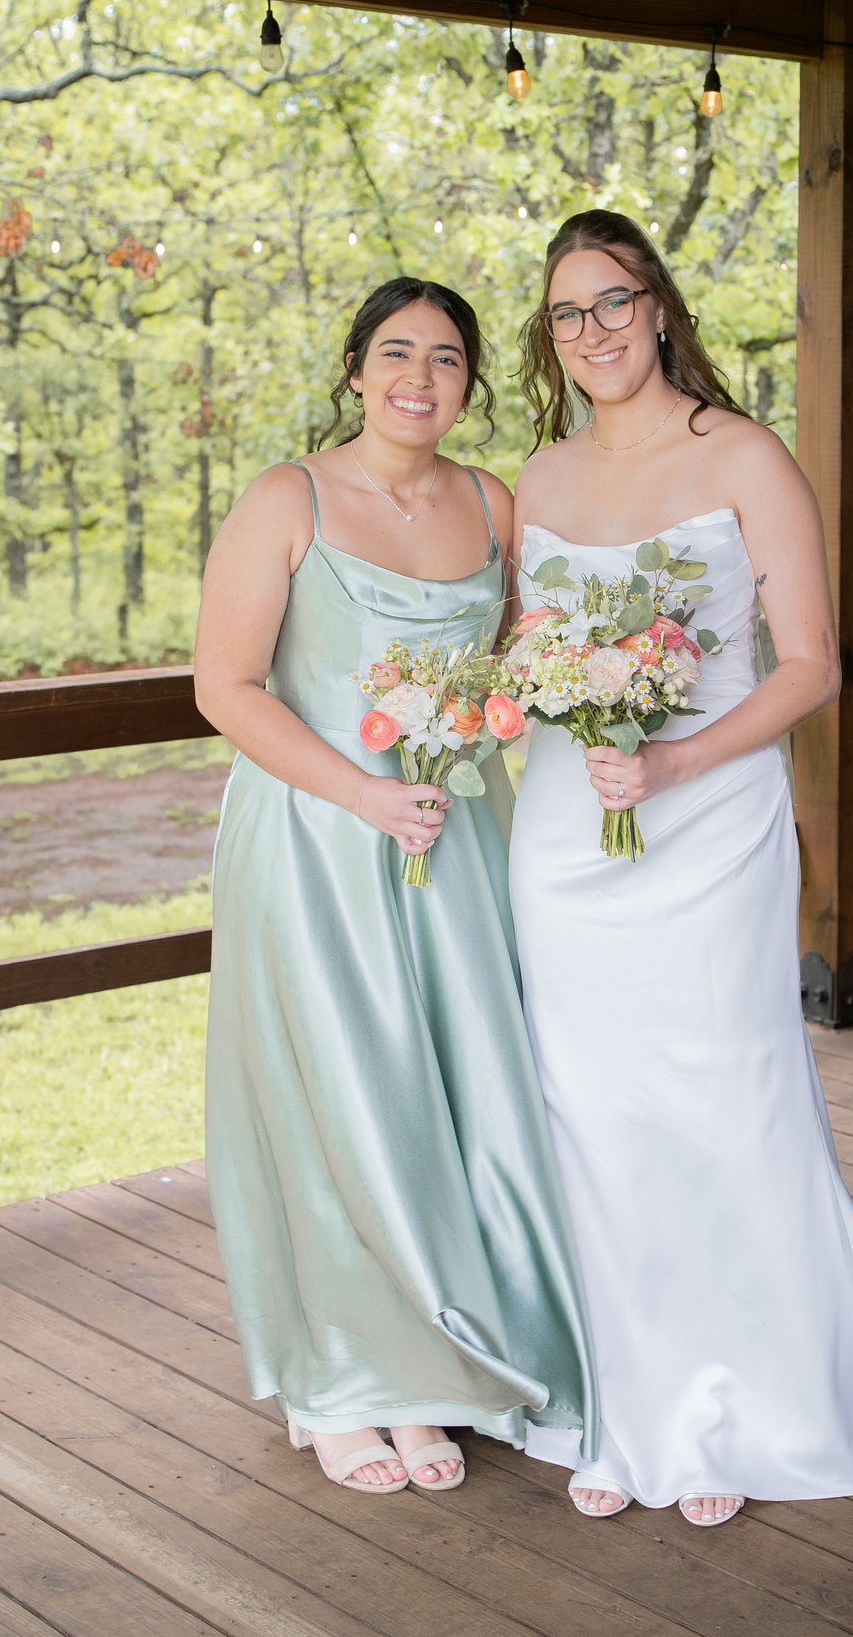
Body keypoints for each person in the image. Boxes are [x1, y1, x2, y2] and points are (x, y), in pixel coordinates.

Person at [508, 212, 853, 1526]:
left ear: (659, 303)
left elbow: (811, 661)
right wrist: (551, 703)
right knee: (592, 1110)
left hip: (712, 817)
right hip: (569, 828)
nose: (594, 332)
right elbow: (528, 651)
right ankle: (629, 1404)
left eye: (614, 300)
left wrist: (682, 762)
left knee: (723, 1097)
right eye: (567, 314)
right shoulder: (538, 474)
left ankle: (745, 1406)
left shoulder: (745, 454)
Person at [195, 277, 594, 1494]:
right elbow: (226, 686)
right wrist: (361, 791)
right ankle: (342, 1377)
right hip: (320, 838)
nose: (419, 378)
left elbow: (523, 665)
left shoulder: (493, 503)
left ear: (471, 382)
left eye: (446, 359)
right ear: (357, 370)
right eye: (395, 353)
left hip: (459, 834)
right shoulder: (287, 498)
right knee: (345, 1096)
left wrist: (510, 712)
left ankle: (432, 1361)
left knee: (456, 1089)